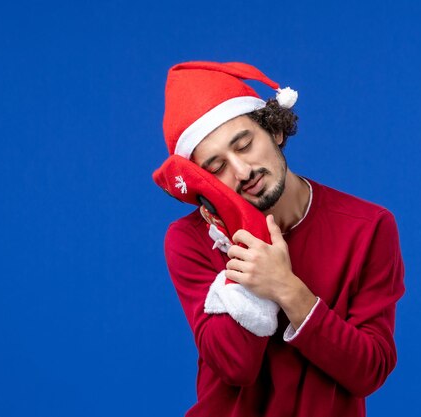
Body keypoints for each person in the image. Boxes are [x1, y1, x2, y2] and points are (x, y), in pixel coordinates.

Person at [155, 61, 405, 417]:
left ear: (274, 130)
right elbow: (235, 366)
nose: (242, 172)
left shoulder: (368, 226)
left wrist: (286, 288)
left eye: (244, 145)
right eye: (216, 168)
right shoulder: (190, 239)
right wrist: (243, 234)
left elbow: (369, 370)